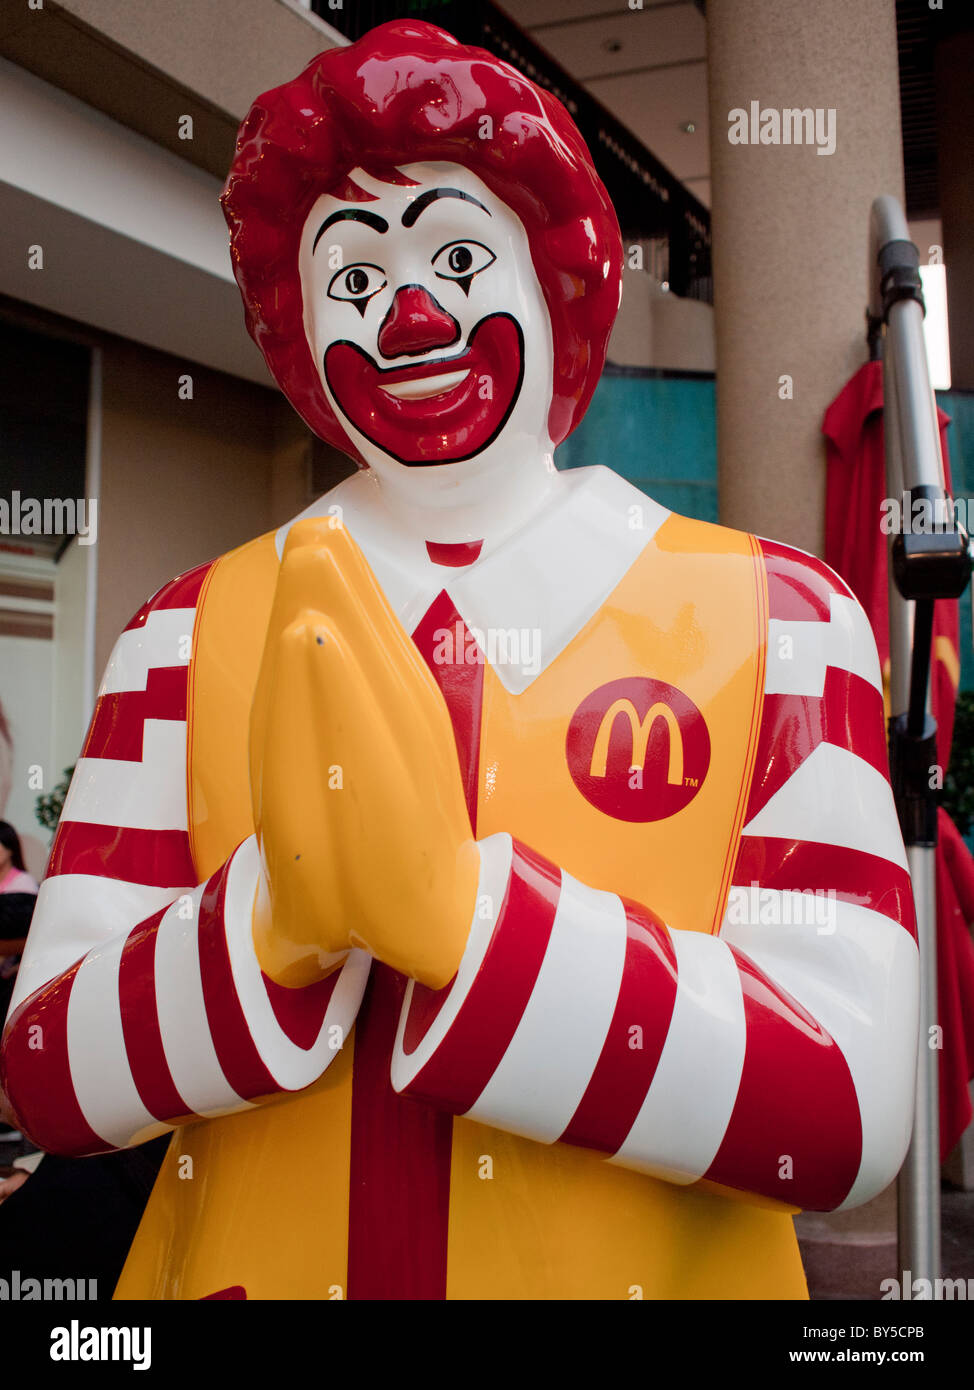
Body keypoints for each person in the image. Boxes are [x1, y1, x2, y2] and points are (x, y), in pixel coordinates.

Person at [0, 21, 918, 1300]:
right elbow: (47, 1069)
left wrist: (467, 924)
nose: (412, 315)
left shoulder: (784, 621)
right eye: (356, 280)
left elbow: (846, 1104)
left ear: (559, 281)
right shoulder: (180, 636)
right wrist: (268, 926)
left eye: (458, 255)